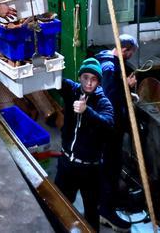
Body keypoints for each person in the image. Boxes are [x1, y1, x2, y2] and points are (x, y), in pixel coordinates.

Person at [56, 57, 115, 230]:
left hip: (90, 169)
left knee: (91, 211)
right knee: (61, 208)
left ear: (99, 81)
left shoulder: (103, 102)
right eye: (85, 77)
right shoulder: (71, 90)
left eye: (94, 79)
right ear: (80, 77)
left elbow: (108, 126)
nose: (89, 83)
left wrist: (86, 111)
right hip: (66, 163)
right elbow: (52, 79)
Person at [95, 34, 139, 231]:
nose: (130, 56)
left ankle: (103, 203)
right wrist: (127, 88)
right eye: (130, 52)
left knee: (105, 164)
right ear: (125, 49)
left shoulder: (102, 57)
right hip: (109, 127)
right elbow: (110, 97)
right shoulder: (110, 68)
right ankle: (105, 211)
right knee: (111, 167)